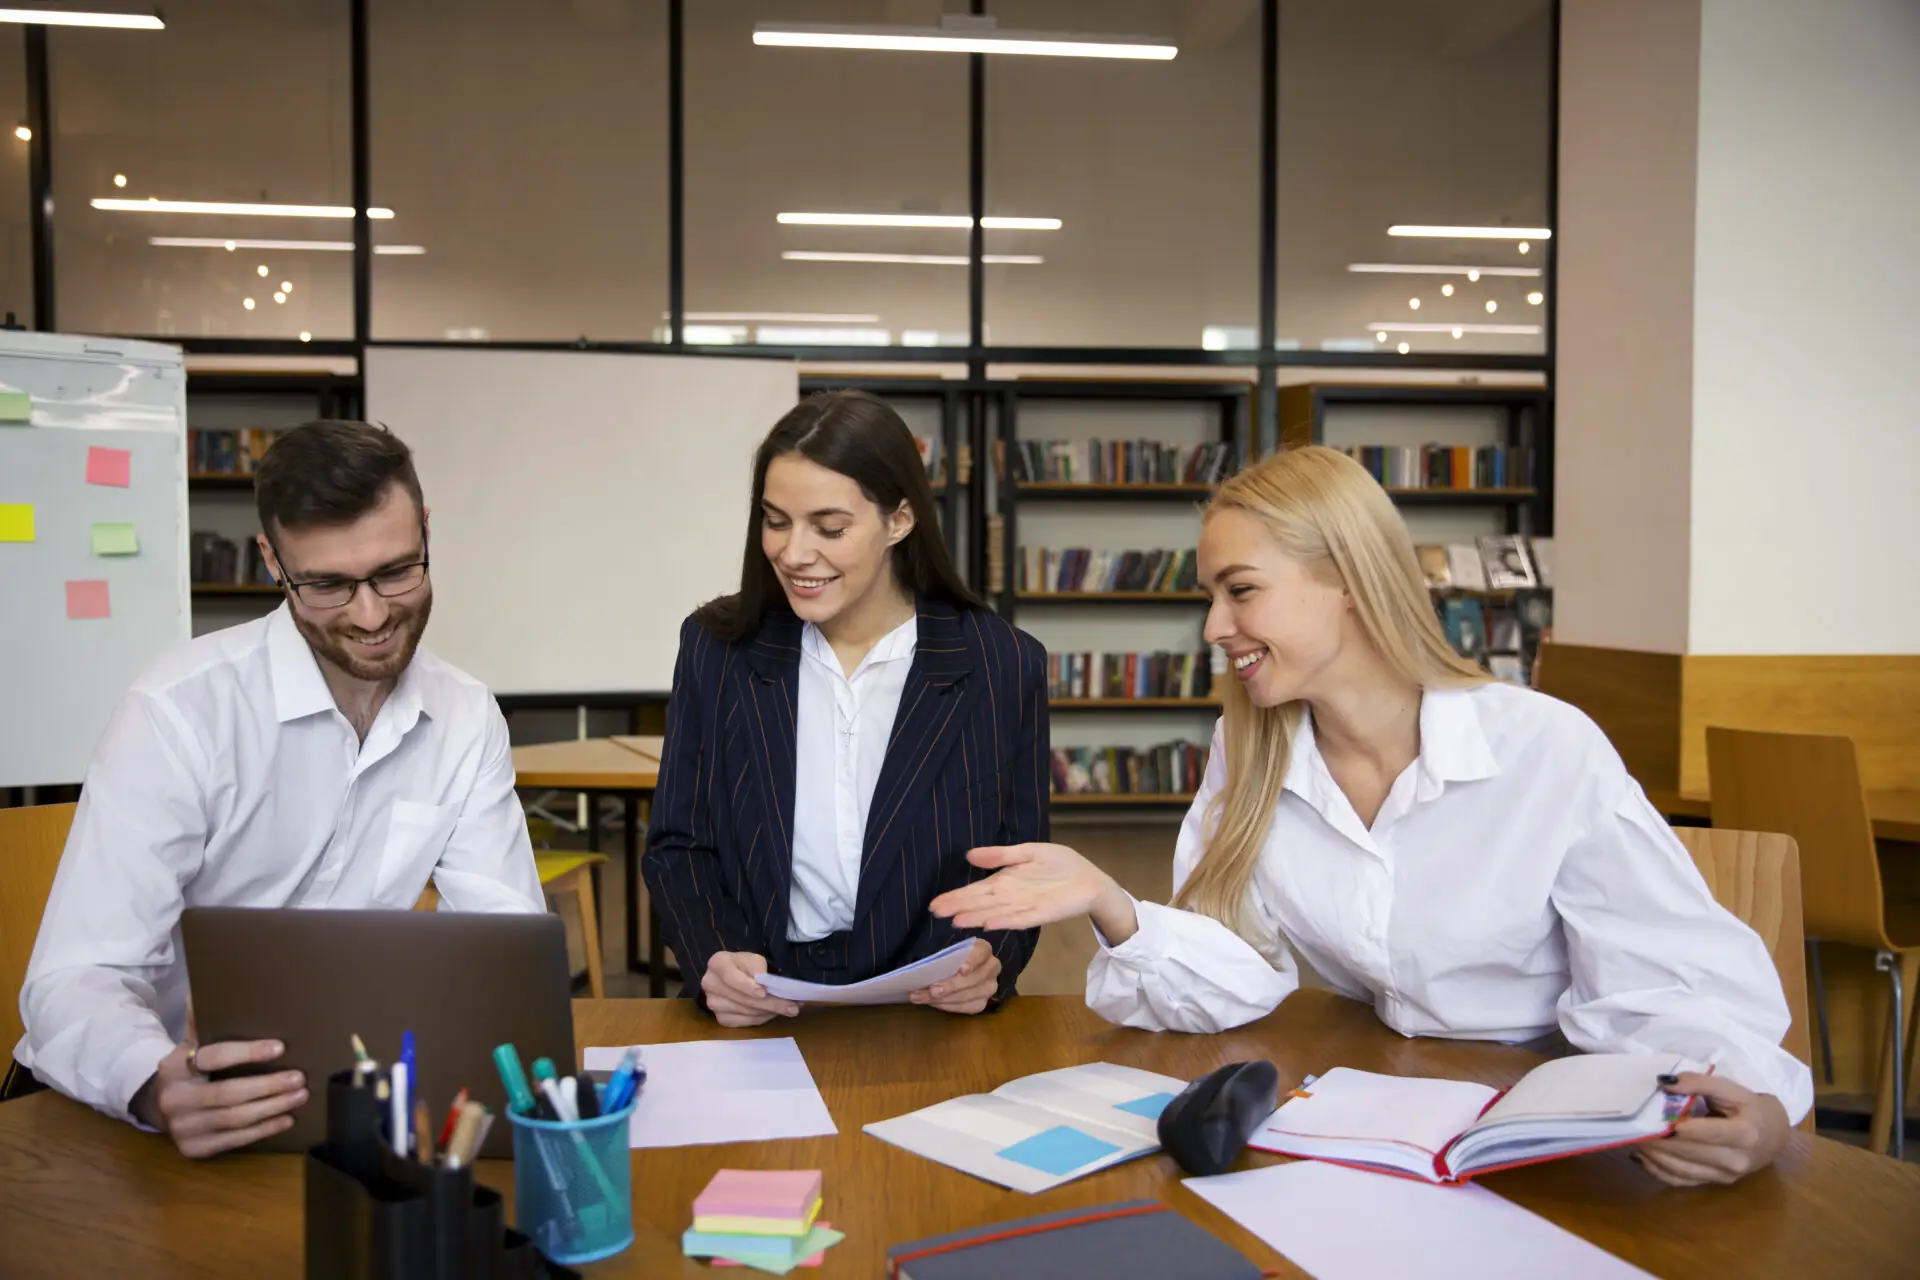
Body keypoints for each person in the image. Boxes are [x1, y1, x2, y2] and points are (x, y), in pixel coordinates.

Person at [931, 445, 1813, 1188]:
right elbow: (1240, 968)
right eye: (1210, 595)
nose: (1211, 627)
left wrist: (1748, 1108)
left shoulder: (1542, 747)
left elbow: (1662, 980)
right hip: (1384, 1113)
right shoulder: (1251, 748)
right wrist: (1108, 901)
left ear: (1348, 581)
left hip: (1555, 1130)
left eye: (1241, 590)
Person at [12, 420, 544, 1156]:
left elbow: (504, 947)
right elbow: (74, 977)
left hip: (336, 1099)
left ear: (425, 529)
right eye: (326, 585)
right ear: (271, 559)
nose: (371, 615)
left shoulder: (464, 714)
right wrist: (153, 1080)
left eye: (396, 571)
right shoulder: (181, 711)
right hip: (139, 1115)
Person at [644, 390, 1048, 1026]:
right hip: (759, 1006)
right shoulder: (717, 649)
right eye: (776, 521)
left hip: (928, 1013)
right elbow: (678, 845)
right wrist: (714, 958)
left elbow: (1018, 858)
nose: (794, 553)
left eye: (829, 529)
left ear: (900, 520)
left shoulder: (1001, 662)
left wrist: (989, 963)